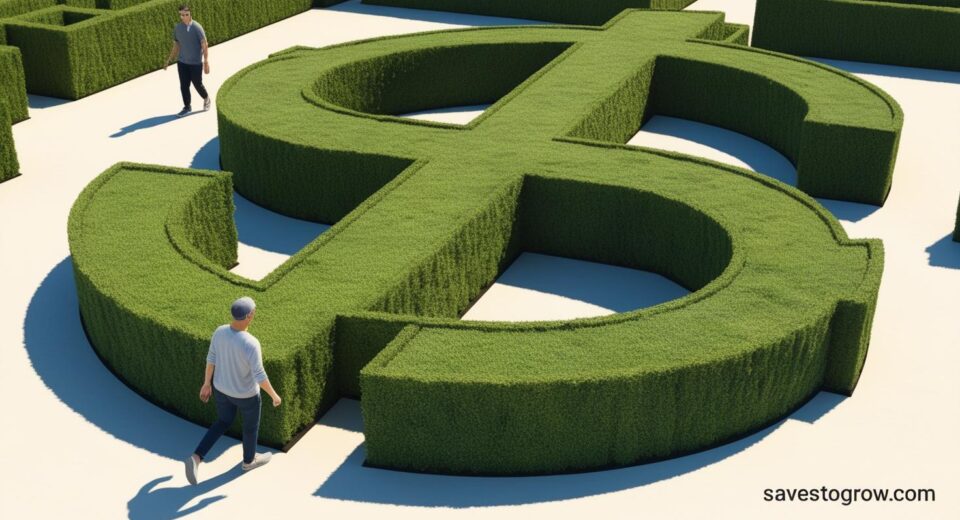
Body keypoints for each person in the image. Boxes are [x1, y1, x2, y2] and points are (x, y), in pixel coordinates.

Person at [185, 296, 282, 485]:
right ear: (250, 316)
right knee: (250, 428)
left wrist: (206, 383)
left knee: (223, 421)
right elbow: (259, 375)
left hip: (221, 390)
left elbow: (211, 359)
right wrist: (274, 395)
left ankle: (197, 457)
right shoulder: (251, 343)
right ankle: (249, 461)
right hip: (247, 396)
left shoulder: (219, 332)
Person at [164, 5, 211, 117]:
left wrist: (206, 61)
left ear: (190, 14)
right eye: (181, 15)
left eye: (186, 14)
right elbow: (176, 45)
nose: (184, 17)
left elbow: (204, 45)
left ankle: (206, 98)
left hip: (195, 63)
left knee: (197, 84)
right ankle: (187, 107)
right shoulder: (178, 28)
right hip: (182, 63)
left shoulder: (197, 27)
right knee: (184, 85)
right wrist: (169, 60)